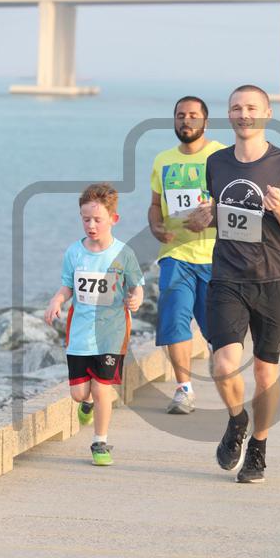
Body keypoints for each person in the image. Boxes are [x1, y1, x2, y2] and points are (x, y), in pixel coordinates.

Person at [188, 84, 280, 483]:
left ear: (267, 114)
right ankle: (237, 420)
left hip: (273, 279)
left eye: (252, 108)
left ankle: (258, 446)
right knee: (223, 365)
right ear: (229, 115)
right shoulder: (217, 163)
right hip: (227, 277)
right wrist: (202, 218)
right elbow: (213, 217)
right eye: (237, 108)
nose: (244, 114)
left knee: (264, 373)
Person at [45, 183, 144, 465]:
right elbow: (67, 285)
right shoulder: (74, 253)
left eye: (97, 220)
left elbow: (137, 285)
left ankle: (100, 442)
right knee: (80, 394)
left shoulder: (124, 253)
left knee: (102, 388)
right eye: (85, 219)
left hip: (112, 333)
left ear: (114, 219)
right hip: (80, 333)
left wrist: (136, 298)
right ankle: (86, 404)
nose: (91, 225)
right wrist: (57, 300)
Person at [148, 96, 224, 414]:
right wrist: (155, 227)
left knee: (216, 329)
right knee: (174, 318)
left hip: (215, 256)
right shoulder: (162, 159)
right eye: (180, 115)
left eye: (193, 115)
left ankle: (221, 359)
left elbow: (236, 202)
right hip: (175, 254)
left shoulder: (221, 156)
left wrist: (211, 213)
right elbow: (155, 205)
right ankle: (184, 390)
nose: (186, 120)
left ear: (205, 121)